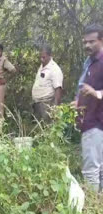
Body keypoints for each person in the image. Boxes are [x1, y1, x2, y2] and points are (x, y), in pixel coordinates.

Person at [74, 24, 103, 192]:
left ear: (101, 40)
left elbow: (93, 91)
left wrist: (96, 93)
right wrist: (78, 102)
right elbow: (83, 87)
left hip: (95, 122)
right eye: (85, 42)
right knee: (99, 169)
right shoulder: (89, 63)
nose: (87, 46)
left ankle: (93, 207)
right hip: (92, 121)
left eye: (91, 42)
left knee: (91, 171)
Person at [31, 45, 63, 120]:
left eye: (44, 57)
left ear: (50, 56)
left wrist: (55, 109)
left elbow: (58, 89)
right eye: (40, 57)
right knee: (38, 129)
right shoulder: (42, 66)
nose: (41, 59)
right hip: (37, 103)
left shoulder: (54, 69)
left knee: (47, 128)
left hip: (47, 104)